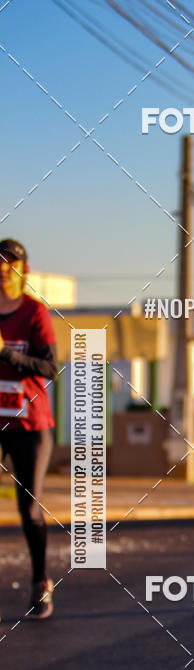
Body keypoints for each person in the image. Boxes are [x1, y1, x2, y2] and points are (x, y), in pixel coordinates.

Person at [0, 238, 58, 617]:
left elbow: (50, 368)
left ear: (23, 270)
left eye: (10, 264)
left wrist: (5, 352)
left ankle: (40, 581)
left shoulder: (34, 312)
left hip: (30, 424)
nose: (3, 270)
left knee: (30, 510)